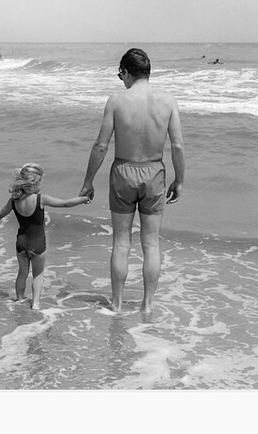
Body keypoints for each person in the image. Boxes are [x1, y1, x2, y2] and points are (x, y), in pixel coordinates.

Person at [79, 48, 185, 315]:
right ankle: (147, 305)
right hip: (154, 173)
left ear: (126, 72)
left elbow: (101, 146)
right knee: (151, 244)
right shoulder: (168, 101)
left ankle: (116, 304)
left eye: (120, 74)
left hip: (123, 172)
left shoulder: (116, 101)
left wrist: (88, 181)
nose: (121, 80)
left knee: (121, 243)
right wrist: (179, 180)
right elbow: (178, 147)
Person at [0, 163, 91, 310]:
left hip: (21, 243)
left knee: (22, 272)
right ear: (36, 183)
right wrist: (83, 199)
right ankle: (36, 304)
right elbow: (65, 204)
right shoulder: (40, 199)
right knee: (38, 274)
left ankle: (19, 299)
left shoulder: (14, 200)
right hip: (37, 243)